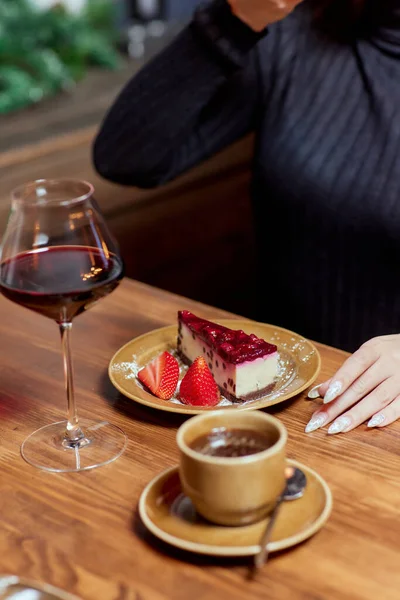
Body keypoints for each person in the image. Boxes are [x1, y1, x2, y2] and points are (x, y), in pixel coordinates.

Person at [93, 0, 400, 434]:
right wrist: (236, 20)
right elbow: (125, 159)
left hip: (381, 425)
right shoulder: (298, 34)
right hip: (268, 399)